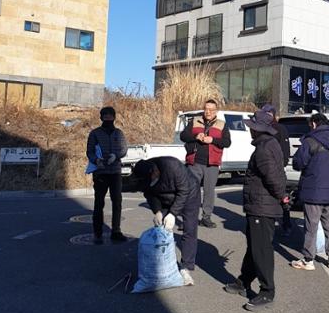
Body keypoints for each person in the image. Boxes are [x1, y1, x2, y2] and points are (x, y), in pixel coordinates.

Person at [224, 110, 289, 311]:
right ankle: (243, 281)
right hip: (260, 205)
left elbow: (273, 178)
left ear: (258, 130)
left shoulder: (264, 149)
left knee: (261, 249)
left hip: (263, 206)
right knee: (254, 246)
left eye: (251, 127)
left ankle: (267, 291)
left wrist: (282, 196)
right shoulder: (269, 144)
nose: (249, 130)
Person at [132, 156, 201, 286]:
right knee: (160, 225)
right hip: (165, 197)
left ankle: (186, 267)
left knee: (190, 229)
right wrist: (157, 211)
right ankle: (163, 263)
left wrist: (173, 214)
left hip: (189, 194)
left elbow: (183, 190)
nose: (152, 178)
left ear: (155, 170)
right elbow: (150, 194)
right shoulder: (144, 177)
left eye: (153, 175)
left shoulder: (172, 165)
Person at [290, 113, 329, 271]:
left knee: (311, 226)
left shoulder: (310, 141)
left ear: (314, 124)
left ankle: (308, 260)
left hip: (313, 191)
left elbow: (298, 163)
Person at [180, 99, 231, 227]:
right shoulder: (195, 121)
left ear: (216, 111)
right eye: (206, 109)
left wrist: (213, 139)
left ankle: (206, 218)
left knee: (209, 192)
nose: (208, 112)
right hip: (194, 162)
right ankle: (188, 219)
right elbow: (183, 136)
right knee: (192, 191)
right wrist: (195, 137)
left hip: (212, 163)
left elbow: (227, 142)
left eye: (211, 110)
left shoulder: (222, 124)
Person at [86, 106, 128, 244]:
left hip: (115, 172)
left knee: (117, 202)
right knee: (99, 202)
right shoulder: (95, 134)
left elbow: (124, 149)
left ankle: (116, 230)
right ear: (101, 118)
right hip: (101, 172)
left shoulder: (119, 133)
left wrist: (115, 155)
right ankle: (97, 232)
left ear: (114, 117)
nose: (108, 119)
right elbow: (89, 151)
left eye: (111, 116)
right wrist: (96, 160)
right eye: (106, 117)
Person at [261, 103, 292, 234]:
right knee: (266, 198)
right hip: (265, 168)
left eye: (269, 114)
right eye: (264, 113)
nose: (267, 116)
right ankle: (269, 224)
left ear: (273, 115)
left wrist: (282, 165)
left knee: (281, 197)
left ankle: (287, 225)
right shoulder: (261, 128)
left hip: (278, 168)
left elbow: (285, 150)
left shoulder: (280, 128)